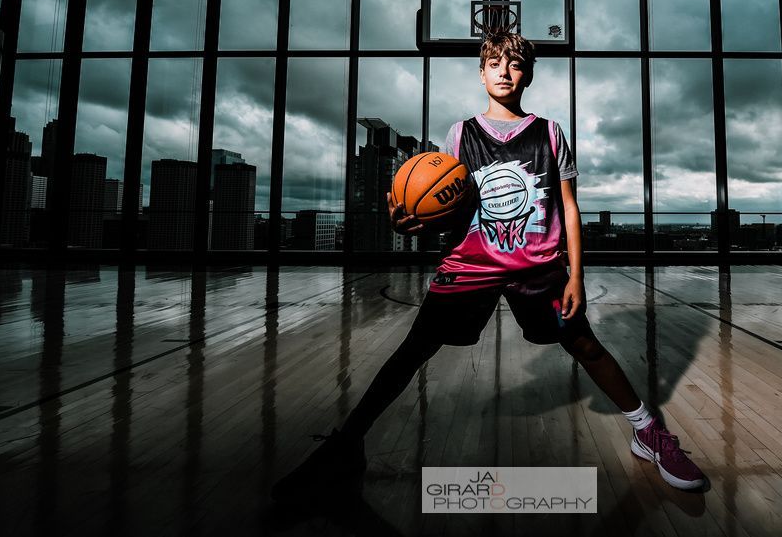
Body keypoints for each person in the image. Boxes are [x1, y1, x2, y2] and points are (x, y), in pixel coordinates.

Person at [271, 33, 705, 505]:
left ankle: (647, 432)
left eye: (514, 64)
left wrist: (577, 275)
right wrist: (412, 223)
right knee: (412, 350)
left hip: (536, 265)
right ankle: (345, 445)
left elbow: (569, 207)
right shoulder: (460, 134)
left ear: (528, 75)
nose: (504, 71)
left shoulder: (550, 132)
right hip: (471, 263)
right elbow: (450, 206)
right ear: (481, 73)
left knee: (585, 344)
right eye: (494, 63)